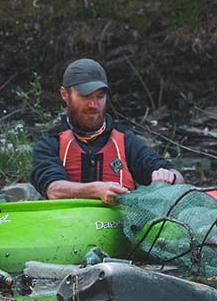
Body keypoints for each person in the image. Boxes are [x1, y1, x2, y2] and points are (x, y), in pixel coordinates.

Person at [31, 58, 185, 204]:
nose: (93, 104)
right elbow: (54, 190)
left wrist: (168, 176)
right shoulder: (49, 143)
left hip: (119, 225)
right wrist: (97, 190)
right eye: (85, 96)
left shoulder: (126, 140)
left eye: (100, 96)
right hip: (67, 225)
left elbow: (179, 179)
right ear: (65, 94)